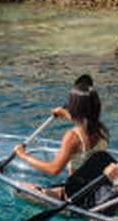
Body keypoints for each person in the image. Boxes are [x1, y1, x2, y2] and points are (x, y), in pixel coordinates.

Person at [14, 74, 111, 203]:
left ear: (74, 107)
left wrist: (23, 155)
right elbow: (85, 123)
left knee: (18, 188)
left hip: (75, 195)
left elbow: (53, 170)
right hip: (94, 189)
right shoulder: (102, 129)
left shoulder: (73, 136)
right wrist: (64, 113)